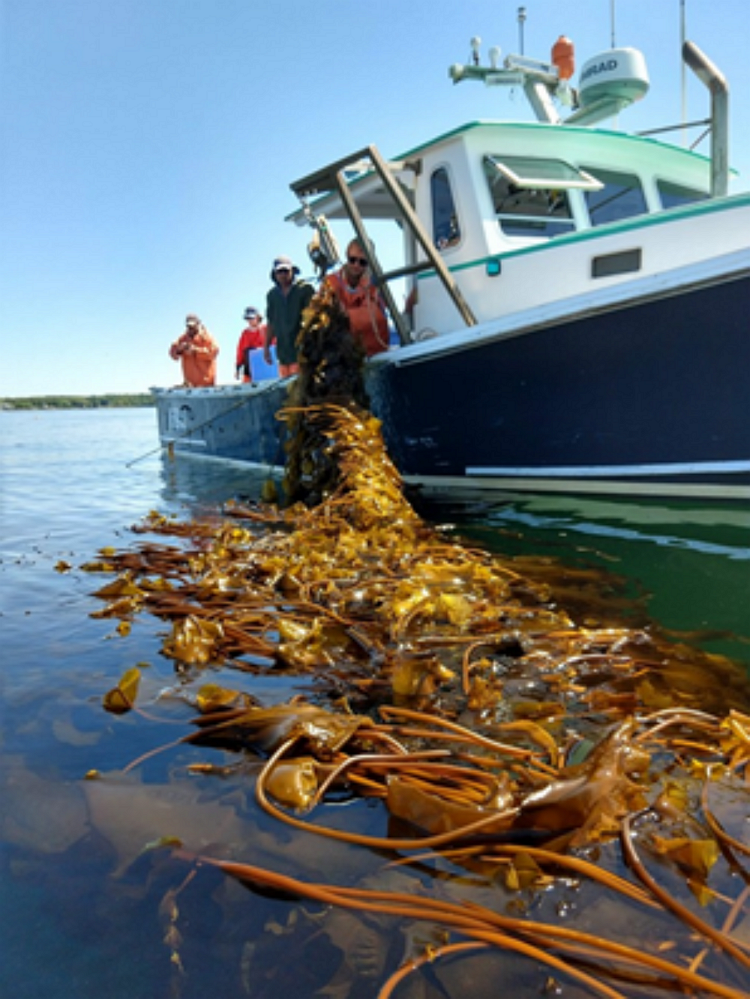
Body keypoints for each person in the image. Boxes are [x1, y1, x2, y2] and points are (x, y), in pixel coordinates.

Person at [324, 240, 389, 357]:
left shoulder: (377, 283)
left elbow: (374, 317)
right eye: (352, 260)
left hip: (374, 354)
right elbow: (323, 317)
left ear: (369, 262)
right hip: (342, 357)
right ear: (347, 256)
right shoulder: (330, 282)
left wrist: (344, 314)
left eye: (362, 262)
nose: (356, 265)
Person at [263, 256, 314, 378]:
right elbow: (271, 322)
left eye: (286, 271)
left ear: (292, 271)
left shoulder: (305, 289)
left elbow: (314, 319)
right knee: (286, 392)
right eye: (279, 271)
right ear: (274, 274)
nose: (283, 274)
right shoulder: (272, 296)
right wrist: (266, 347)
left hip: (303, 353)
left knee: (302, 389)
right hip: (283, 354)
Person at [169, 314, 219, 387]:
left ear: (198, 324)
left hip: (206, 385)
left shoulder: (207, 337)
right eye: (188, 326)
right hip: (189, 386)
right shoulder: (182, 339)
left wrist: (195, 350)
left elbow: (214, 352)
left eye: (193, 326)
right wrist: (179, 349)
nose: (190, 329)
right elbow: (172, 353)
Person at [235, 307, 268, 382]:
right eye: (248, 319)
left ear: (258, 317)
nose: (250, 321)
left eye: (252, 318)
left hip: (265, 369)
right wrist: (238, 367)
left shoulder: (266, 330)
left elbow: (274, 347)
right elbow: (240, 351)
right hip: (249, 371)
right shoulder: (245, 333)